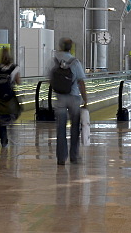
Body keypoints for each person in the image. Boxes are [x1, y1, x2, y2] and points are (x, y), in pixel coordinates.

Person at [49, 38, 88, 166]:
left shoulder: (54, 61)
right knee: (75, 127)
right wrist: (85, 99)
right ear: (70, 48)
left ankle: (61, 157)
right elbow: (81, 81)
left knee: (60, 127)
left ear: (60, 46)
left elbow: (49, 77)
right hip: (74, 97)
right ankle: (74, 156)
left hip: (60, 97)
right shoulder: (75, 62)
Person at [0, 45, 21, 148]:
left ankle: (4, 142)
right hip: (10, 97)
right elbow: (18, 81)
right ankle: (12, 135)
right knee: (13, 113)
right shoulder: (14, 68)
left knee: (1, 120)